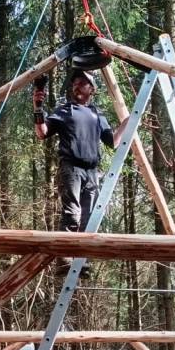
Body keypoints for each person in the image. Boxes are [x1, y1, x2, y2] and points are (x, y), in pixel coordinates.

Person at [33, 68, 129, 272]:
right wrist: (38, 107)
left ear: (92, 89)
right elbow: (42, 133)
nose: (76, 85)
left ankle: (81, 260)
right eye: (74, 83)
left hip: (92, 172)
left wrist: (128, 123)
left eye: (82, 82)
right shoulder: (65, 110)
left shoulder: (97, 114)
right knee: (72, 214)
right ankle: (64, 259)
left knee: (89, 217)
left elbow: (113, 141)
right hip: (71, 168)